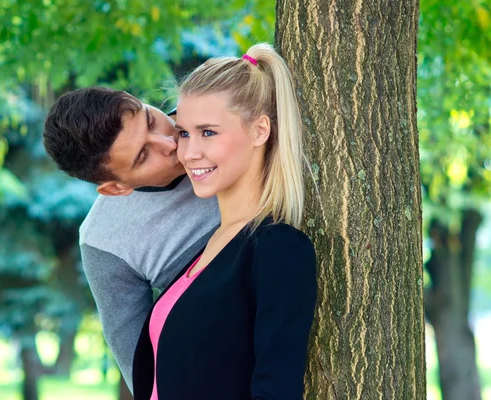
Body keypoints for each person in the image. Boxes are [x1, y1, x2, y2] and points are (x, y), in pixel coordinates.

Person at [132, 43, 318, 400]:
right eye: (184, 133)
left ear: (260, 131)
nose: (188, 153)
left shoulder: (277, 248)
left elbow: (276, 389)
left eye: (209, 132)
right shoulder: (212, 245)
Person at [42, 87, 220, 393]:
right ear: (116, 188)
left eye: (150, 121)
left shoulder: (219, 108)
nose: (169, 142)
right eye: (142, 155)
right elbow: (145, 377)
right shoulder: (105, 243)